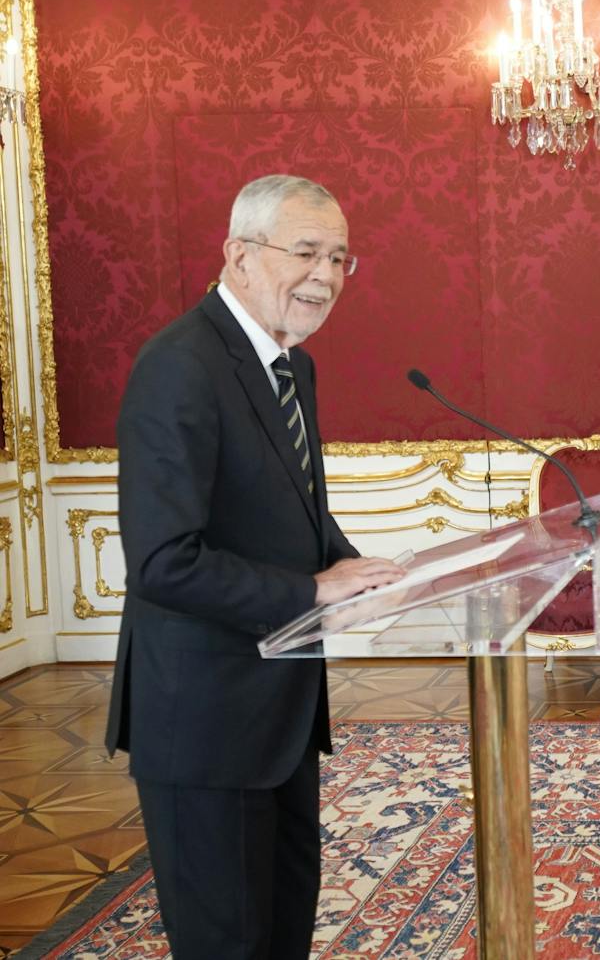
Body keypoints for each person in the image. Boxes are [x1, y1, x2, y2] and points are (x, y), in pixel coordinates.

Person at [105, 174, 405, 958]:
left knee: (280, 934)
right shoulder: (179, 365)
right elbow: (164, 562)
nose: (326, 276)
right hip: (204, 720)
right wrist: (312, 589)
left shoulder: (288, 364)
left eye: (340, 258)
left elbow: (290, 506)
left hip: (282, 712)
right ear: (239, 254)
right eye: (305, 252)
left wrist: (351, 564)